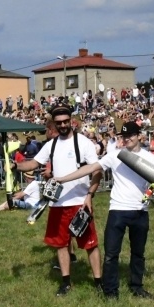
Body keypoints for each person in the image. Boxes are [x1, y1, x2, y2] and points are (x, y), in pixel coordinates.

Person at [54, 122, 154, 299]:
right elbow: (91, 168)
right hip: (117, 210)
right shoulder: (115, 155)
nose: (127, 139)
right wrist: (63, 179)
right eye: (124, 136)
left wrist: (150, 192)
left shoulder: (150, 158)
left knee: (138, 253)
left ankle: (137, 287)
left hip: (140, 211)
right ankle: (110, 291)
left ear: (139, 136)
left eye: (131, 135)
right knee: (111, 254)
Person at [14, 104, 103, 296]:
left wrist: (90, 195)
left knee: (90, 244)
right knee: (61, 244)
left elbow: (97, 171)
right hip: (57, 203)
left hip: (80, 202)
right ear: (54, 124)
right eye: (59, 123)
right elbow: (33, 163)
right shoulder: (51, 145)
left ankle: (98, 282)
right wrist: (17, 165)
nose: (62, 125)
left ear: (71, 121)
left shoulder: (84, 143)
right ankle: (66, 282)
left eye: (65, 121)